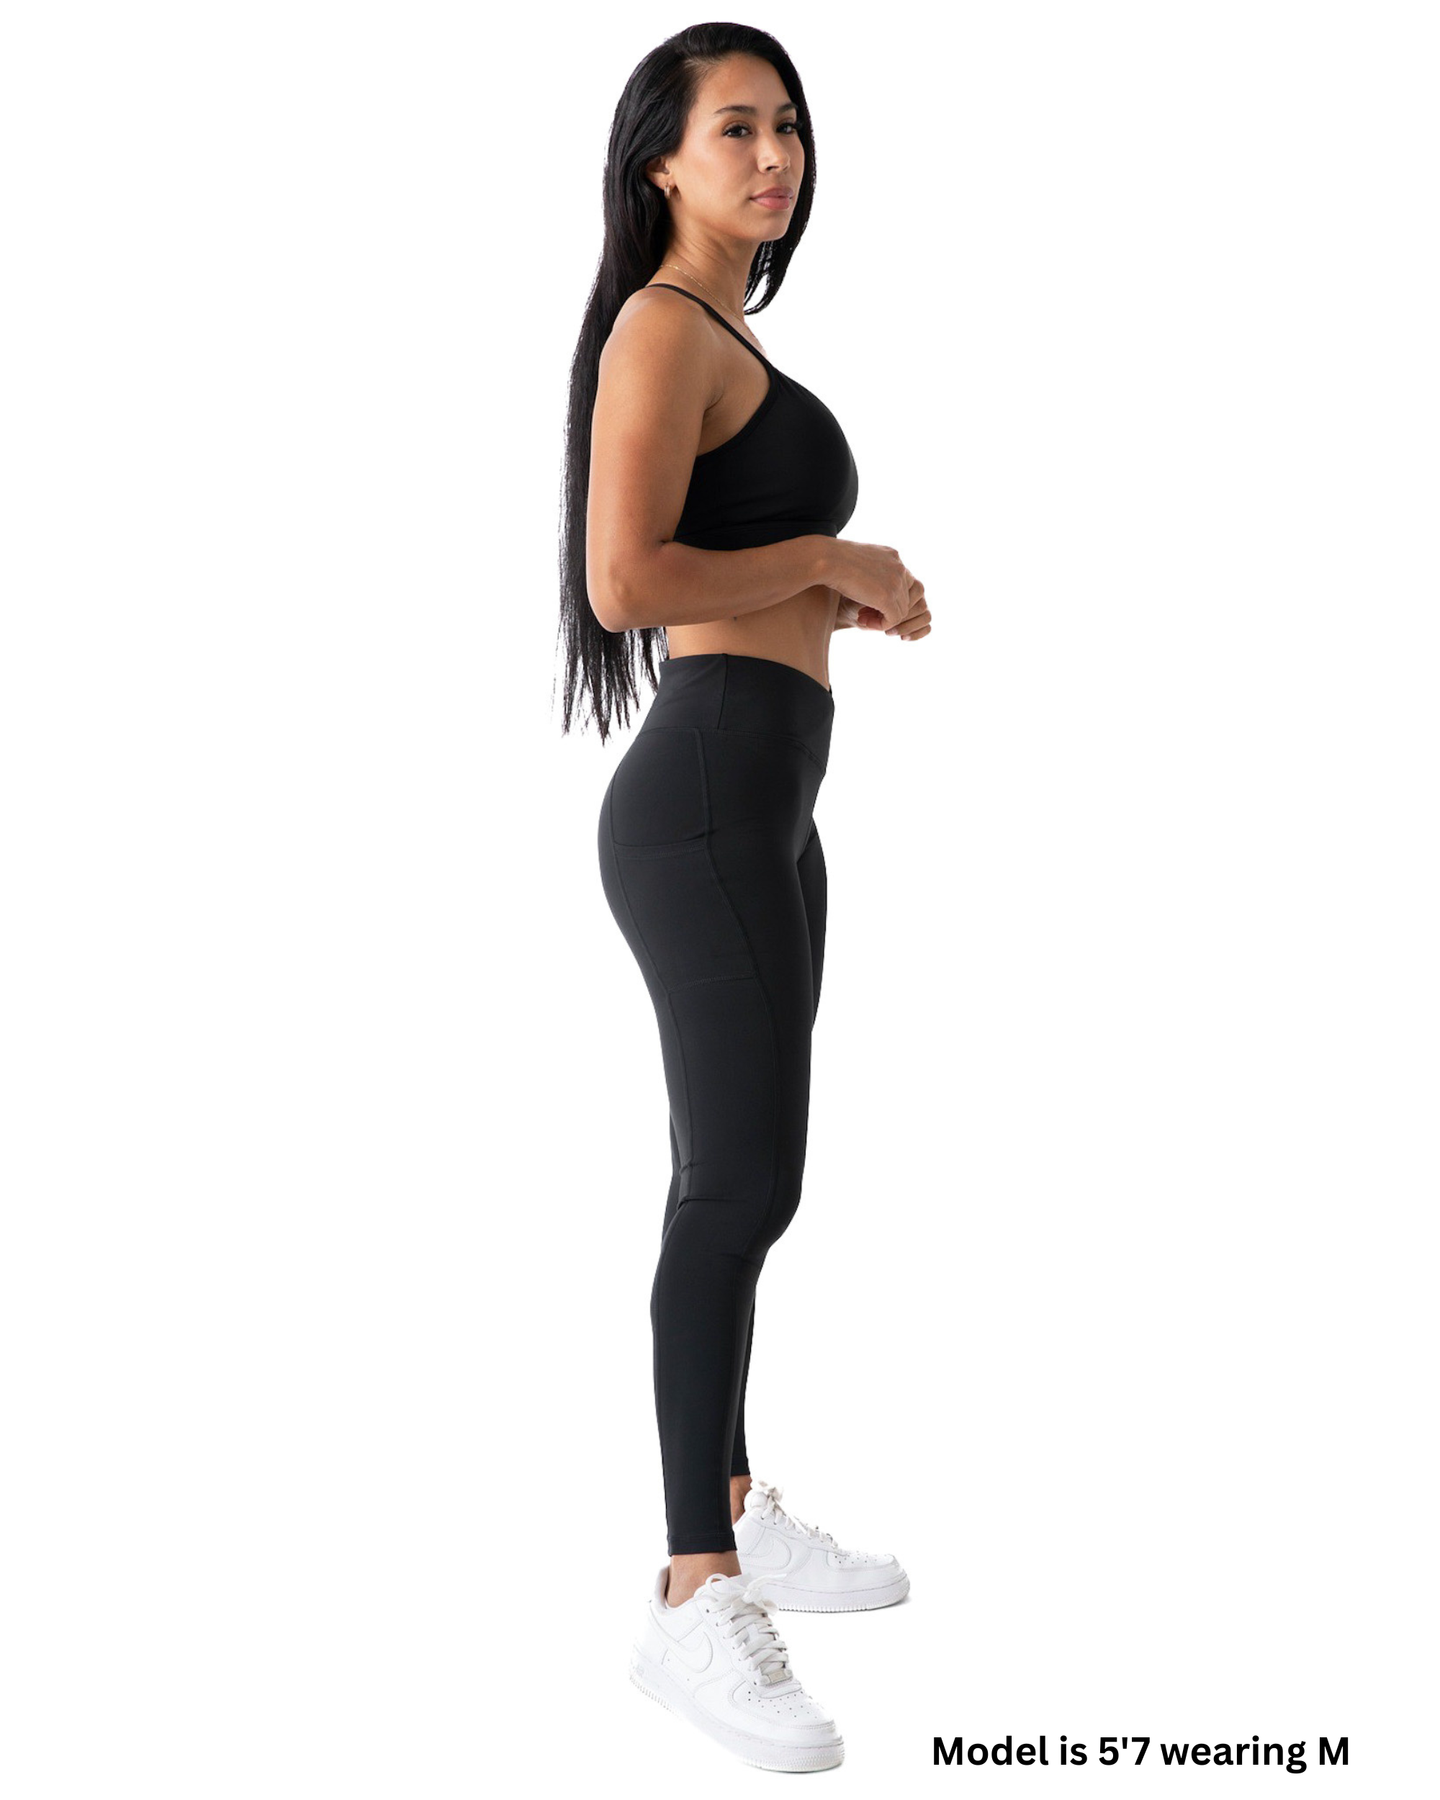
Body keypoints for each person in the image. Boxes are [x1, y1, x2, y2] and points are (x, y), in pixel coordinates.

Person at [556, 24, 932, 1773]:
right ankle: (691, 1590)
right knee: (737, 1187)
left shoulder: (726, 337)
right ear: (661, 159)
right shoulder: (661, 326)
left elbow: (715, 564)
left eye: (788, 124)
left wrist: (829, 597)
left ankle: (730, 1498)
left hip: (769, 800)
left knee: (743, 1179)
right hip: (705, 800)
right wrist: (830, 554)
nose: (774, 154)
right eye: (734, 128)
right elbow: (624, 579)